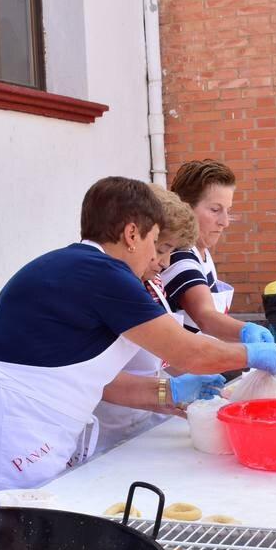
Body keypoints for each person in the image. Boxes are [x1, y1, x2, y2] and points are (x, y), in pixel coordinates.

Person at [0, 176, 276, 507]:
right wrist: (252, 353)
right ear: (132, 234)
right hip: (13, 426)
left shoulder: (79, 266)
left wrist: (171, 391)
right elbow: (189, 351)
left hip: (26, 420)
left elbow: (100, 381)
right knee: (4, 532)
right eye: (156, 242)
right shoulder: (102, 273)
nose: (160, 259)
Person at [90, 185, 204, 455]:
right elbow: (104, 382)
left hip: (148, 421)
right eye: (160, 248)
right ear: (136, 237)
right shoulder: (109, 287)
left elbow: (167, 350)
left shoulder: (153, 284)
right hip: (112, 427)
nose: (163, 262)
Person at [160, 160, 274, 344]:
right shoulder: (180, 257)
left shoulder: (201, 251)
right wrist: (244, 331)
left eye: (228, 210)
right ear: (185, 209)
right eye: (215, 210)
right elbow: (205, 317)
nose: (225, 222)